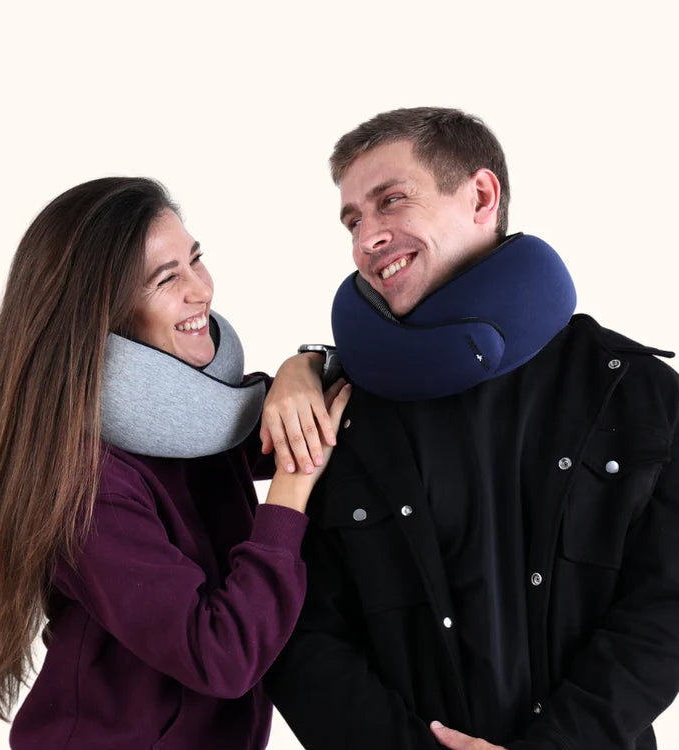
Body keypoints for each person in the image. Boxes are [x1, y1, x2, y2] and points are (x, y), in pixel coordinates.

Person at [265, 107, 679, 749]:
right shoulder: (338, 414)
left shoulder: (635, 392)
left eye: (390, 200)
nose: (366, 238)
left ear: (482, 196)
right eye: (352, 220)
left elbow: (665, 610)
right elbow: (299, 632)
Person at [0, 176, 350, 749]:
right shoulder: (86, 486)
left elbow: (292, 417)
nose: (201, 290)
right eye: (167, 279)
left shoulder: (201, 423)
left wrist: (301, 367)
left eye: (195, 260)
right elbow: (222, 655)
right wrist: (292, 485)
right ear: (105, 317)